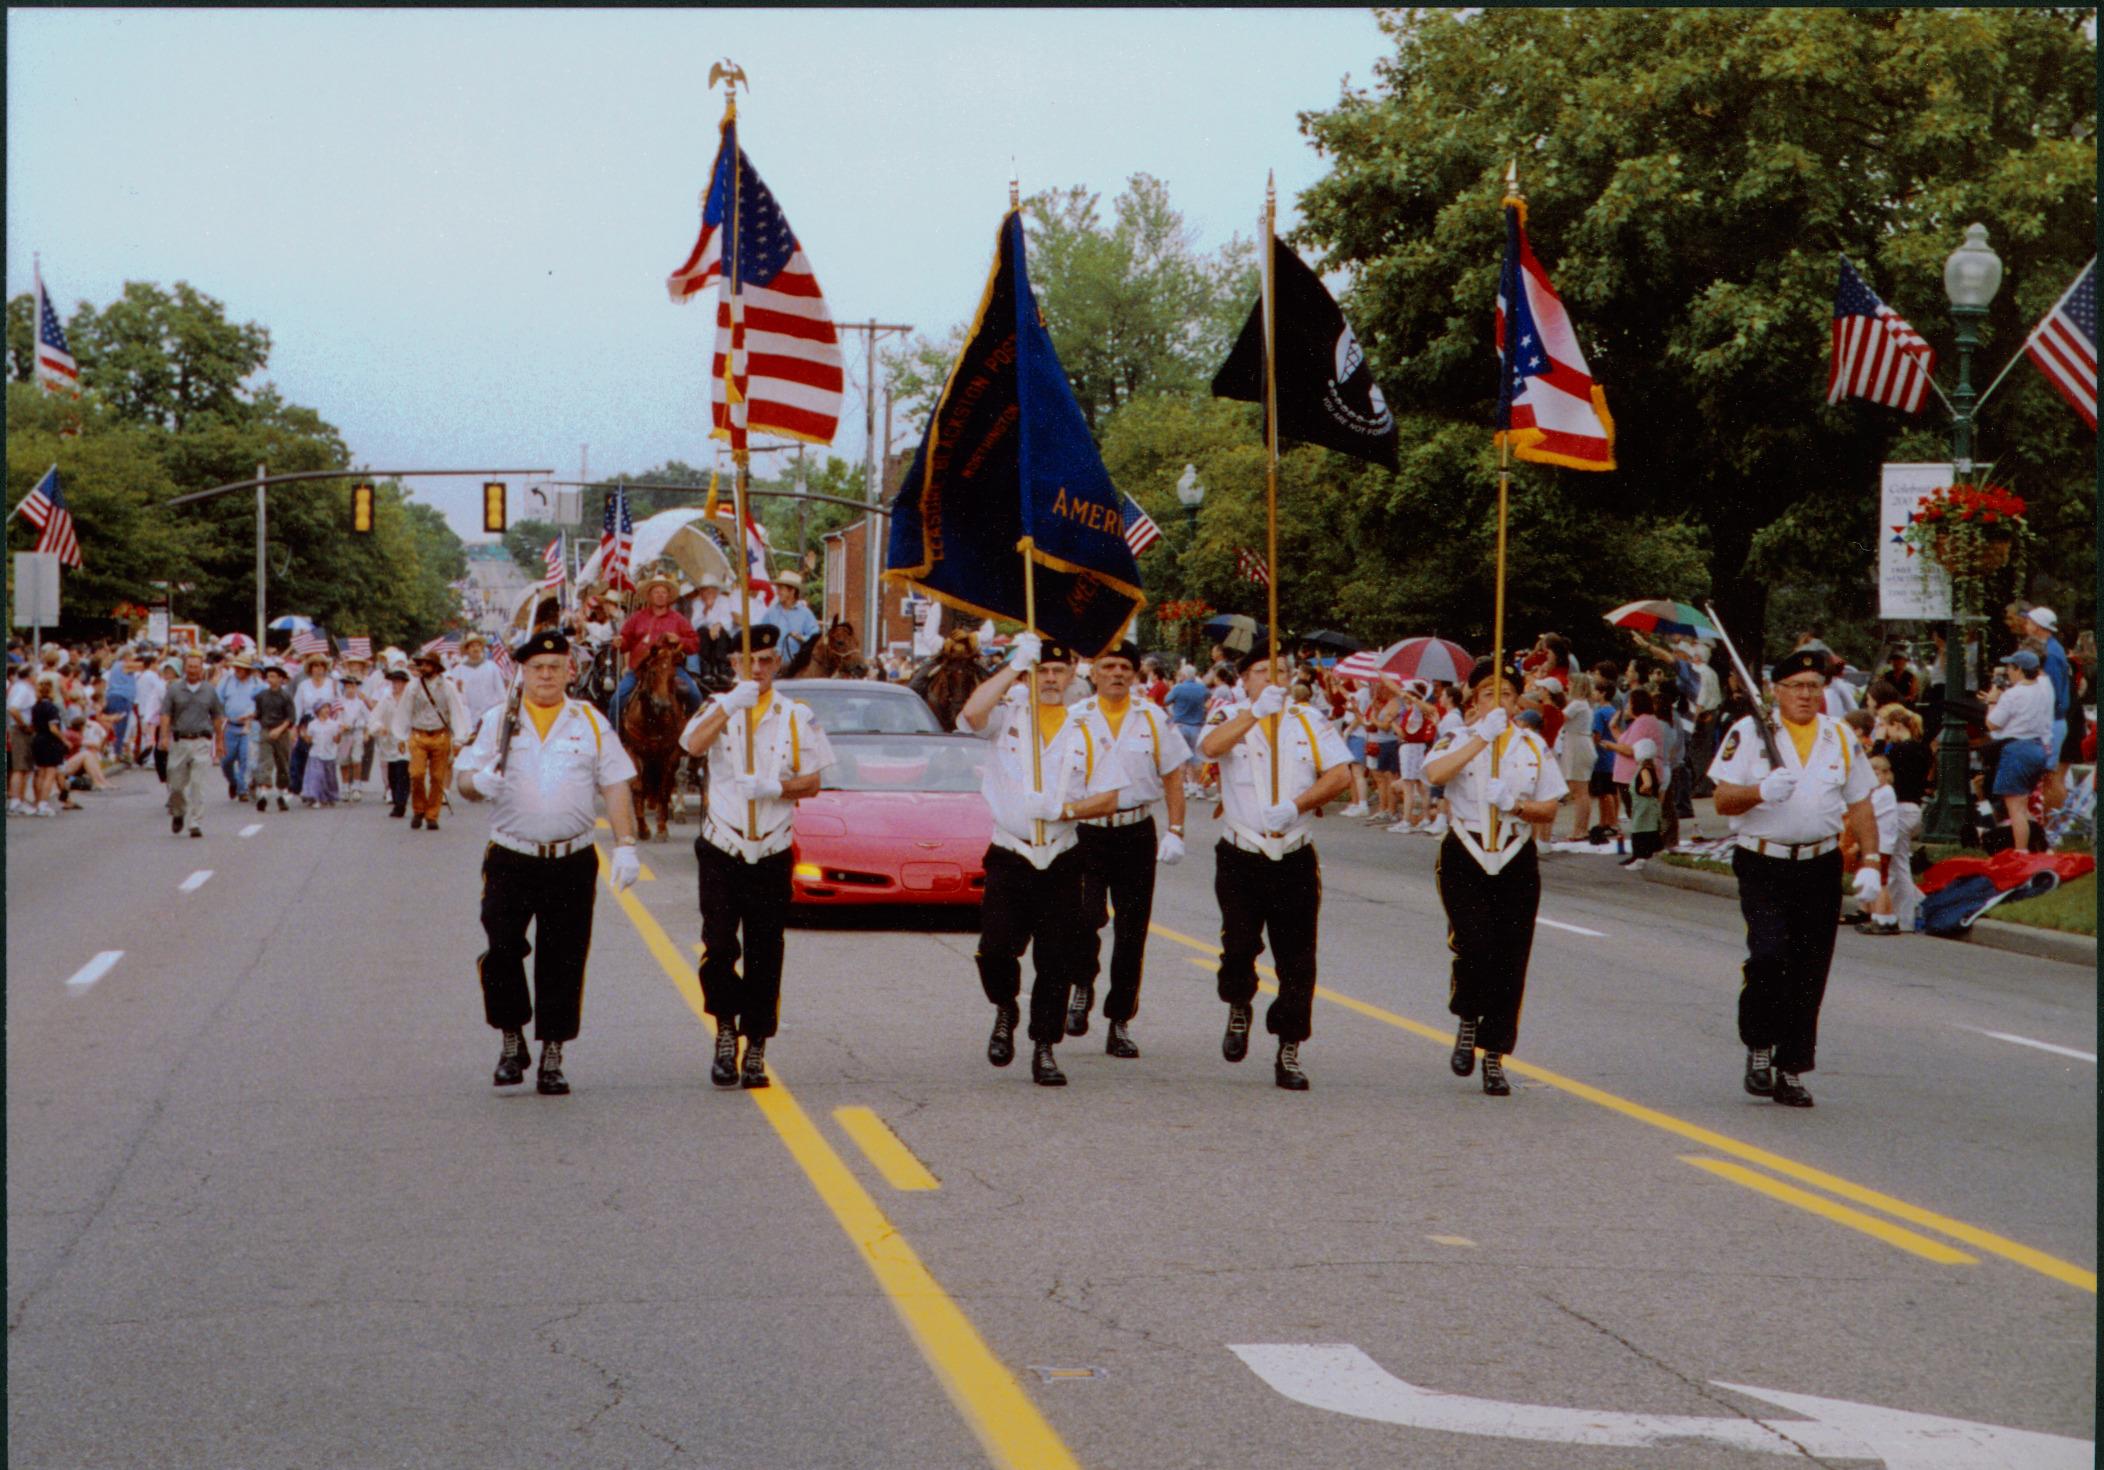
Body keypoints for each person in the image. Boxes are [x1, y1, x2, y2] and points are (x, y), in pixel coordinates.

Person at [457, 629, 640, 1096]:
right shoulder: (498, 720)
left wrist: (626, 843)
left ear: (569, 672)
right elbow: (462, 781)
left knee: (564, 957)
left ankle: (553, 1053)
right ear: (522, 671)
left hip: (570, 858)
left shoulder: (590, 722)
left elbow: (615, 783)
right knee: (502, 949)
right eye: (537, 667)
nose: (545, 675)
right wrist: (479, 783)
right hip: (511, 855)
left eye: (555, 667)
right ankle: (511, 1037)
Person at [1708, 646, 1880, 1108]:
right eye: (1797, 686)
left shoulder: (1838, 735)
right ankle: (1760, 1043)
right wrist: (1760, 791)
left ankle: (1791, 1067)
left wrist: (1871, 860)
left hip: (1819, 864)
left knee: (1809, 967)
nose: (1806, 694)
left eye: (1814, 686)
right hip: (1763, 861)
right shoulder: (1751, 732)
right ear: (1776, 690)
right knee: (1768, 955)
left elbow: (1861, 801)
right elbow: (1722, 799)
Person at [959, 633, 1125, 1087]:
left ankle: (1045, 1046)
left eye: (1058, 670)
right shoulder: (1007, 716)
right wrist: (1015, 665)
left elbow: (1110, 797)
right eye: (1042, 671)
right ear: (1031, 675)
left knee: (1056, 958)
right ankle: (1005, 1007)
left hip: (1061, 855)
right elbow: (972, 714)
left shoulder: (1087, 728)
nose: (1050, 678)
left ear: (1072, 675)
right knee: (995, 948)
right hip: (1010, 852)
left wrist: (1064, 810)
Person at [677, 623, 836, 1088]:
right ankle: (726, 1030)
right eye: (748, 660)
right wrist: (731, 704)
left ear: (777, 663)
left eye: (766, 660)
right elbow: (692, 745)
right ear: (733, 664)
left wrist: (774, 787)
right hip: (723, 845)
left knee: (766, 951)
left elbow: (813, 782)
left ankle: (757, 1044)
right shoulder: (717, 706)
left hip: (771, 847)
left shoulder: (796, 715)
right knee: (720, 946)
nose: (758, 668)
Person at [1199, 649, 1355, 1090]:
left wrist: (1296, 805)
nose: (1273, 678)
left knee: (1298, 959)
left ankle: (1289, 1046)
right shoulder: (1229, 714)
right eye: (1262, 671)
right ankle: (1239, 1002)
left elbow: (1340, 775)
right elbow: (1209, 748)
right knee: (1238, 946)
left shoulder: (1309, 720)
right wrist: (1253, 714)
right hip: (1241, 851)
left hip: (1293, 851)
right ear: (1245, 679)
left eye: (1281, 671)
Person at [1421, 659, 1569, 1096]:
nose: (1498, 701)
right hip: (1466, 852)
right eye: (1489, 694)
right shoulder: (1457, 738)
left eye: (1506, 694)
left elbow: (1550, 808)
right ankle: (1468, 1016)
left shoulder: (1532, 746)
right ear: (1474, 701)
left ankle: (1495, 1054)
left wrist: (1516, 805)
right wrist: (1479, 740)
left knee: (1511, 958)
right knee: (1474, 943)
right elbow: (1435, 774)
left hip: (1514, 853)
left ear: (1517, 701)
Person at [1062, 641, 1191, 1058]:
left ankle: (1119, 1020)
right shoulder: (1074, 718)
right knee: (1083, 917)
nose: (1117, 673)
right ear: (1094, 673)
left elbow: (1173, 776)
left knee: (1132, 931)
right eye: (1109, 666)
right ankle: (1082, 982)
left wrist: (1176, 829)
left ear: (1135, 675)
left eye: (1124, 667)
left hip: (1135, 831)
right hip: (1086, 831)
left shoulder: (1153, 718)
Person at [1983, 649, 2053, 852]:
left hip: (2017, 750)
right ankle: (2043, 847)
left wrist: (1992, 701)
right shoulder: (2044, 689)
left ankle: (2021, 853)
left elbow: (1992, 724)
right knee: (2024, 806)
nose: (2008, 671)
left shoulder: (2012, 695)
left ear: (2019, 670)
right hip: (2037, 748)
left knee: (2016, 809)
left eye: (2010, 667)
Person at [613, 571, 701, 729]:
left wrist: (679, 639)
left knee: (695, 696)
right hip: (639, 670)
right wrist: (620, 642)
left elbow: (695, 643)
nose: (660, 595)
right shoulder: (636, 617)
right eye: (656, 592)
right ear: (650, 595)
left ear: (669, 596)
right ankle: (613, 737)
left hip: (670, 669)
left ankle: (693, 735)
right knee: (616, 700)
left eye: (663, 592)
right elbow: (625, 640)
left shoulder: (678, 619)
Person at [393, 648, 469, 831]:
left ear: (436, 667)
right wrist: (400, 737)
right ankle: (418, 809)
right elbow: (404, 711)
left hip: (440, 735)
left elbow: (456, 711)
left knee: (437, 777)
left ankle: (432, 815)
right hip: (418, 734)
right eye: (422, 664)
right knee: (416, 774)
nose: (423, 667)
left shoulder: (447, 687)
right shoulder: (413, 686)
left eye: (427, 664)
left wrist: (458, 740)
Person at [159, 653, 227, 839]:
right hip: (180, 741)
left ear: (201, 668)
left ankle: (195, 821)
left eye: (196, 667)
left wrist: (219, 742)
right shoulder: (174, 689)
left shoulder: (209, 690)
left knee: (197, 784)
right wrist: (164, 737)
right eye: (190, 667)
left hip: (201, 741)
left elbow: (217, 717)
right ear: (184, 668)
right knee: (176, 785)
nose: (193, 670)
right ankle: (179, 811)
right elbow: (165, 714)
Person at [251, 663, 298, 812]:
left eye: (273, 676)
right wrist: (250, 717)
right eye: (268, 676)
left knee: (282, 763)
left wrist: (279, 729)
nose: (270, 679)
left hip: (281, 732)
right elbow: (258, 714)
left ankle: (281, 793)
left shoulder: (286, 697)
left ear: (280, 679)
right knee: (265, 761)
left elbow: (291, 718)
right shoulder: (262, 696)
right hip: (266, 731)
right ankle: (264, 793)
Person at [216, 653, 261, 801]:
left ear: (248, 669)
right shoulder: (227, 681)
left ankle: (243, 790)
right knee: (226, 760)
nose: (237, 670)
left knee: (245, 759)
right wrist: (221, 716)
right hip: (230, 725)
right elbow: (217, 701)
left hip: (249, 727)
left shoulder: (257, 684)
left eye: (241, 668)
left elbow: (263, 704)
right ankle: (234, 782)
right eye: (236, 667)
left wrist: (253, 715)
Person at [369, 667, 413, 817]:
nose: (396, 685)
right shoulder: (386, 699)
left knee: (403, 770)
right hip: (389, 741)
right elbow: (375, 717)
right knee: (393, 773)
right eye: (394, 682)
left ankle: (401, 803)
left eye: (399, 682)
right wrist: (380, 727)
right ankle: (395, 799)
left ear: (405, 684)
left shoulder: (410, 700)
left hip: (405, 741)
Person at [448, 632, 509, 740]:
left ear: (482, 648)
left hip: (491, 716)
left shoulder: (492, 667)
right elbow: (456, 697)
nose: (475, 649)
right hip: (469, 719)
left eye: (478, 645)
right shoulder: (458, 670)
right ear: (467, 650)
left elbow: (501, 693)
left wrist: (502, 712)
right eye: (472, 646)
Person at [1166, 663, 1210, 796]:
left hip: (1180, 725)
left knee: (1181, 757)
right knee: (1197, 757)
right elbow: (1208, 699)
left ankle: (1183, 785)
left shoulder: (1178, 688)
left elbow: (1166, 700)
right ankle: (1196, 786)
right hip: (1196, 726)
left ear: (1184, 675)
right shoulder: (1202, 688)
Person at [1623, 737, 1662, 868]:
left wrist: (1643, 788)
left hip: (1643, 806)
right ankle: (1645, 853)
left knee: (1639, 829)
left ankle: (1639, 855)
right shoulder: (1651, 768)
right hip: (1647, 805)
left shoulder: (1644, 770)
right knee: (1649, 827)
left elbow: (1648, 783)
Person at [7, 662, 38, 815]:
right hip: (21, 731)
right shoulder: (23, 689)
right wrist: (23, 725)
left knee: (25, 767)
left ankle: (21, 799)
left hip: (21, 730)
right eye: (35, 674)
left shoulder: (21, 687)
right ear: (30, 675)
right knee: (20, 766)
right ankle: (16, 801)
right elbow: (13, 708)